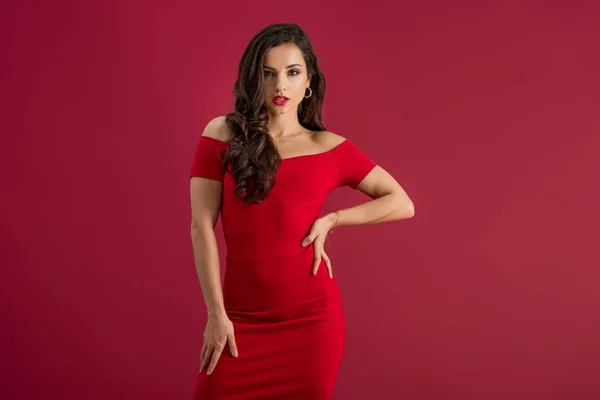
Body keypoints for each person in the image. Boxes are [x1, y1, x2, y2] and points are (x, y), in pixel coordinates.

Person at [189, 22, 414, 399]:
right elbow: (201, 227)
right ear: (253, 79)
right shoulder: (222, 134)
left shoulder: (327, 146)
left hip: (311, 323)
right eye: (268, 74)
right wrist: (216, 313)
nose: (280, 85)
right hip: (238, 320)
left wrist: (334, 219)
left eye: (292, 73)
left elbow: (401, 202)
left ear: (308, 82)